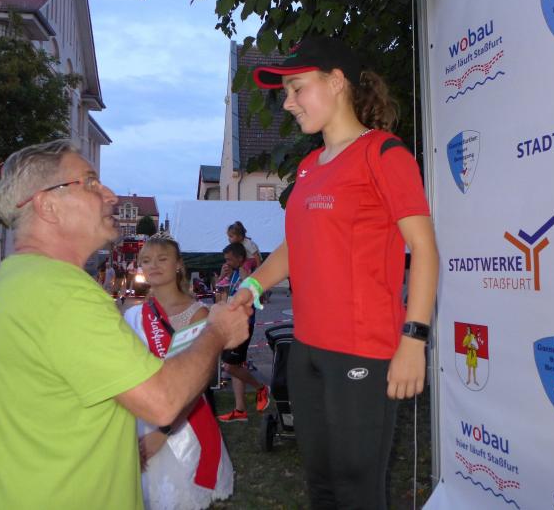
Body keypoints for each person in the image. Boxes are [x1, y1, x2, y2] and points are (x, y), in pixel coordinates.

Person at [0, 139, 250, 510]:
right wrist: (218, 331)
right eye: (90, 182)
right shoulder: (63, 292)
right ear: (47, 205)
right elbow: (164, 402)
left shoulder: (5, 282)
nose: (109, 195)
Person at [230, 36, 440, 509]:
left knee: (356, 489)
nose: (288, 103)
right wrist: (251, 285)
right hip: (307, 349)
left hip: (362, 350)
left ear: (337, 82)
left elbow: (425, 250)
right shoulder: (309, 167)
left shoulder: (384, 154)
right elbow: (296, 246)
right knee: (321, 485)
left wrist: (414, 341)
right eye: (286, 92)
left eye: (297, 89)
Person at [123, 232, 233, 510]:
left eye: (162, 259)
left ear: (178, 265)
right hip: (142, 415)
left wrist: (163, 432)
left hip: (185, 422)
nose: (153, 265)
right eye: (146, 260)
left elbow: (199, 379)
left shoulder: (197, 314)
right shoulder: (133, 315)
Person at [215, 242, 270, 423]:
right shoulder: (232, 273)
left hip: (243, 325)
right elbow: (219, 295)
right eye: (225, 260)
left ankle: (261, 388)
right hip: (231, 323)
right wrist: (222, 277)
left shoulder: (248, 273)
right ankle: (240, 410)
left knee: (229, 366)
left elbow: (261, 299)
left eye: (229, 259)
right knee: (236, 367)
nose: (227, 262)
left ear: (240, 258)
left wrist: (249, 281)